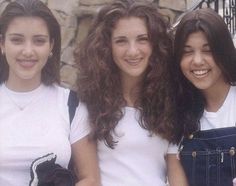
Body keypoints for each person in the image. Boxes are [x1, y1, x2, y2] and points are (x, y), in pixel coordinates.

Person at [75, 0, 188, 185]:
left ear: (155, 44)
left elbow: (175, 171)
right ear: (106, 47)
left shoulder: (170, 101)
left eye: (142, 39)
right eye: (121, 41)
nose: (133, 51)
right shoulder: (87, 104)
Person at [0, 0, 100, 185]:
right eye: (17, 40)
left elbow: (91, 179)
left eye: (39, 41)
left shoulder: (71, 105)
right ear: (2, 44)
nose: (28, 51)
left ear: (51, 45)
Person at [173, 8, 236, 186]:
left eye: (207, 50)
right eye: (187, 51)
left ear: (224, 52)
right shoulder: (176, 111)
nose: (198, 61)